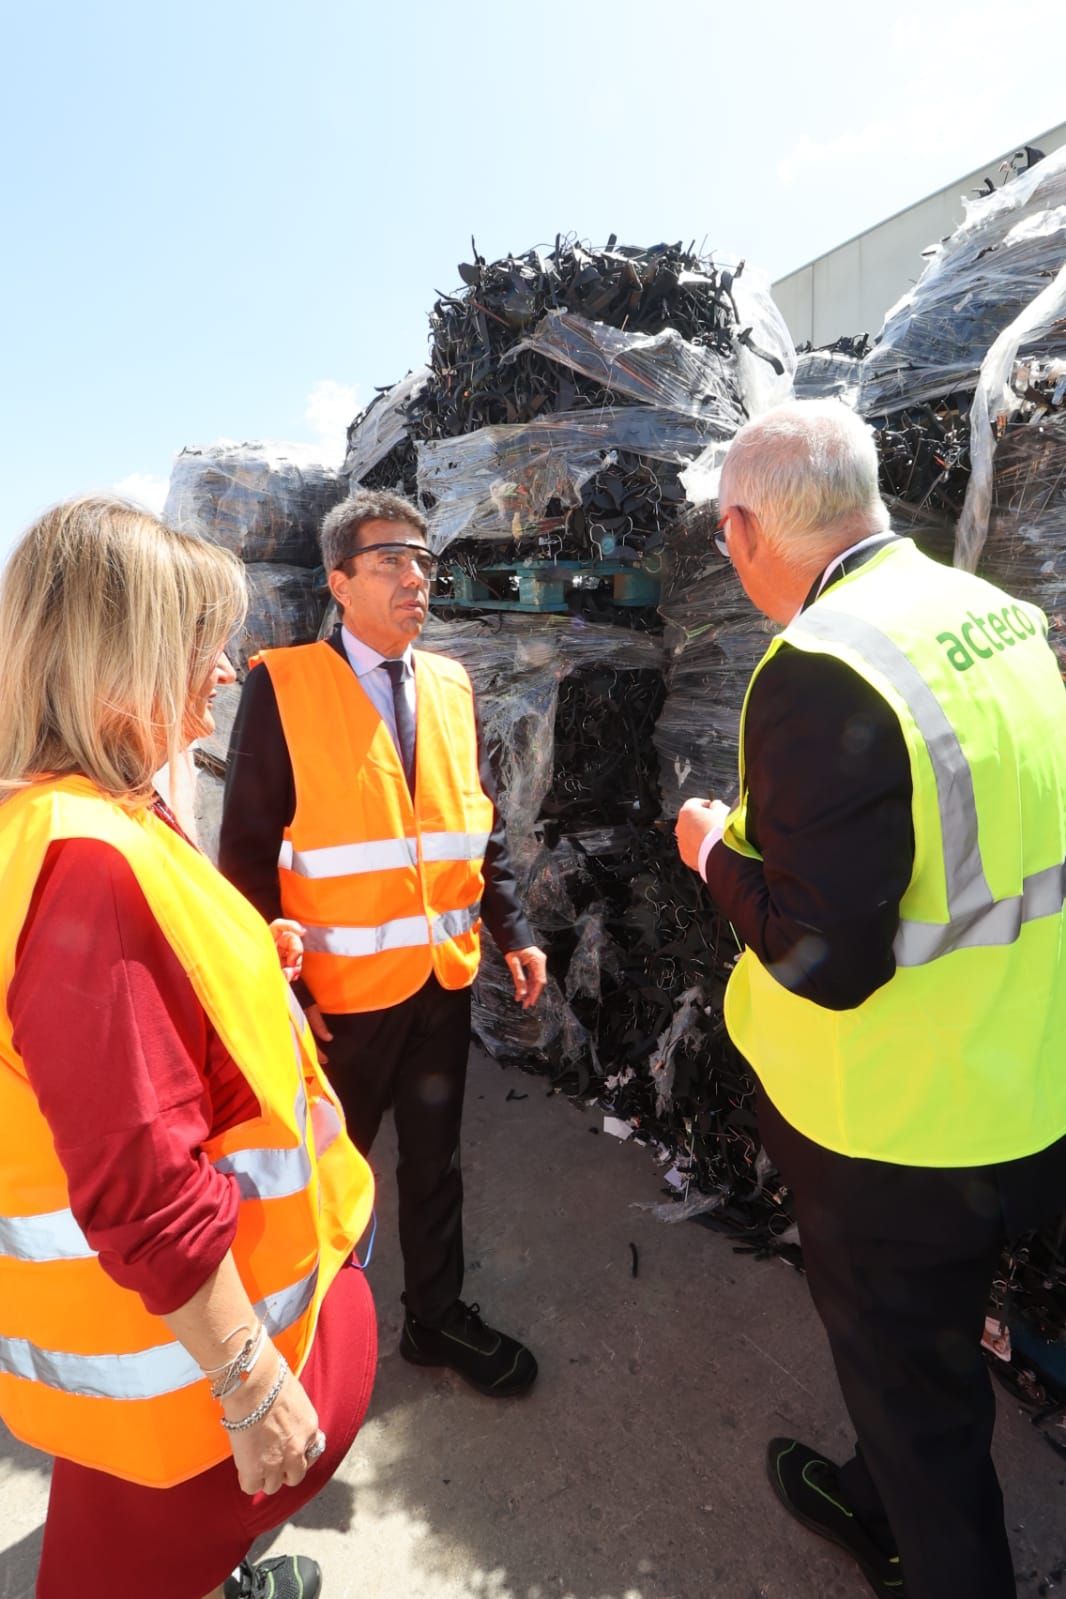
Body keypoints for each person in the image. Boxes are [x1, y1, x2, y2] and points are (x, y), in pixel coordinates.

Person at [673, 401, 1066, 1599]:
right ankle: (870, 1485)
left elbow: (823, 961)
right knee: (914, 1366)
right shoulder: (998, 616)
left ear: (743, 530)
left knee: (921, 1409)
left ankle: (919, 1540)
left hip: (894, 1129)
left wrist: (706, 854)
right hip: (1025, 1079)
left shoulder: (819, 667)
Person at [0, 497, 378, 1599]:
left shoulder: (90, 818)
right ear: (123, 664)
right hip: (175, 1406)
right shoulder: (87, 865)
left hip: (185, 1383)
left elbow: (130, 1026)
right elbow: (142, 1183)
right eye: (202, 643)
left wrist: (245, 956)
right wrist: (254, 1385)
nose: (225, 670)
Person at [219, 489, 546, 1399]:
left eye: (424, 561)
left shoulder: (449, 683)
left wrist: (513, 928)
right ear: (339, 582)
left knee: (435, 1167)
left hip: (440, 986)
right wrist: (279, 993)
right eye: (392, 560)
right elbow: (244, 857)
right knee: (326, 1181)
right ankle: (312, 1351)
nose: (416, 577)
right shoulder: (281, 683)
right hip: (339, 1004)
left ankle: (434, 1321)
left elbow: (474, 827)